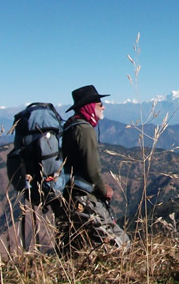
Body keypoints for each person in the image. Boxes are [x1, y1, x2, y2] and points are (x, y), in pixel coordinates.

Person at [54, 85, 130, 253]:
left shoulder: (70, 126)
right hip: (85, 196)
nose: (103, 106)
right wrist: (103, 190)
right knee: (121, 243)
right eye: (99, 103)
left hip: (68, 195)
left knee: (74, 244)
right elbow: (92, 168)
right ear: (89, 106)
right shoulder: (85, 130)